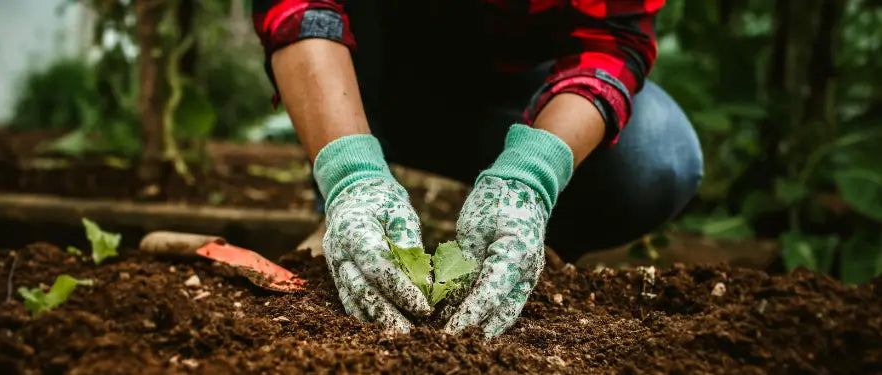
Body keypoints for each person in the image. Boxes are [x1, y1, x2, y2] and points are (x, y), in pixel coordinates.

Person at [251, 0, 702, 338]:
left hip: (519, 90)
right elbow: (299, 7)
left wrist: (530, 175)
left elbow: (612, 41)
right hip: (372, 76)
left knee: (656, 157)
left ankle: (527, 248)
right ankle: (344, 210)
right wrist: (350, 177)